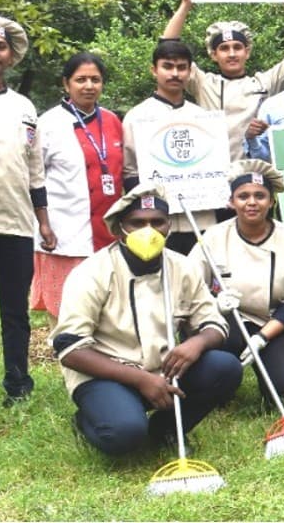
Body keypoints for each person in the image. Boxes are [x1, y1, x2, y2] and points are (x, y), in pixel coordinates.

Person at [49, 183, 242, 455]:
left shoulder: (182, 266)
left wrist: (196, 343)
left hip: (162, 369)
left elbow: (214, 323)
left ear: (169, 226)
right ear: (119, 229)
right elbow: (69, 349)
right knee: (124, 435)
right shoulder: (91, 272)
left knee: (226, 367)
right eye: (137, 223)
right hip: (107, 374)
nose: (149, 231)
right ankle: (88, 421)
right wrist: (140, 379)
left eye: (157, 222)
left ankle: (165, 430)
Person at [197, 161, 284, 405]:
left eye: (260, 196)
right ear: (231, 201)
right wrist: (214, 303)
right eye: (243, 196)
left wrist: (261, 337)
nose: (252, 202)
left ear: (271, 201)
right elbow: (189, 288)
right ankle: (221, 381)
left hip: (275, 324)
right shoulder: (214, 236)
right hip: (228, 321)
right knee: (209, 388)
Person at [160, 0, 284, 161]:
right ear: (213, 54)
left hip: (255, 175)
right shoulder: (203, 83)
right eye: (224, 48)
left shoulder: (264, 82)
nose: (231, 54)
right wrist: (185, 5)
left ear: (247, 52)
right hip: (213, 172)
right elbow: (167, 48)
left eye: (237, 47)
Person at [35, 53, 125, 321]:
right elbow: (34, 177)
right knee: (67, 311)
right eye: (81, 79)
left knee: (107, 309)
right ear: (66, 84)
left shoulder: (112, 121)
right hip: (64, 232)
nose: (89, 86)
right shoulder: (48, 124)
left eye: (95, 80)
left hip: (108, 231)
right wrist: (43, 223)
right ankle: (69, 361)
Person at [0, 17, 52, 406]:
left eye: (0, 46)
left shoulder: (23, 107)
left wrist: (44, 220)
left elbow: (35, 169)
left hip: (14, 223)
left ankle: (17, 384)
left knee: (15, 311)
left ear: (10, 54)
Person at [121, 39, 216, 255]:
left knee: (201, 282)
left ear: (190, 71)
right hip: (156, 224)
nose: (175, 74)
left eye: (181, 67)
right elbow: (129, 171)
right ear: (154, 70)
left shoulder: (202, 117)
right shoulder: (137, 117)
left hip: (202, 220)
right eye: (167, 66)